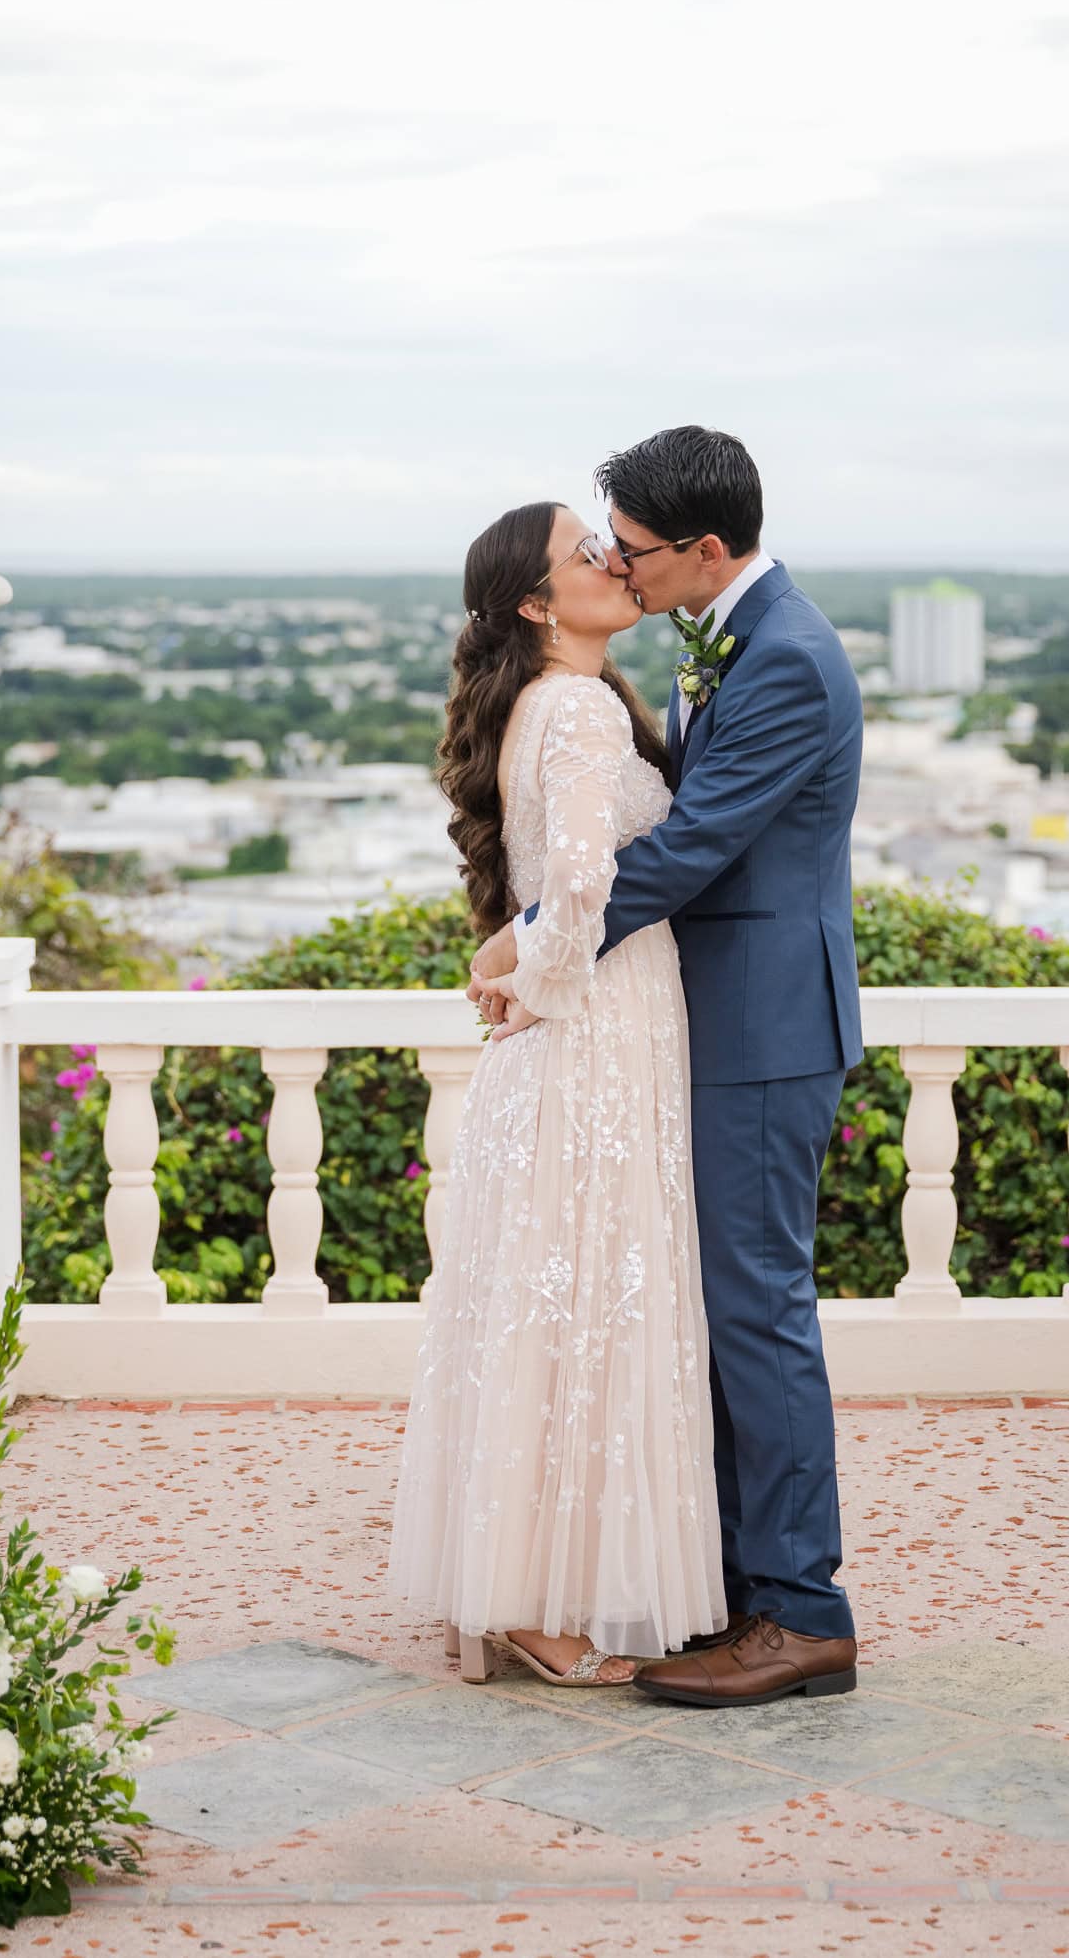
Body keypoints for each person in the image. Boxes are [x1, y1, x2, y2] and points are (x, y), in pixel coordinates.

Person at [470, 426, 864, 1709]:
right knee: (721, 1317)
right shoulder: (728, 641)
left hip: (761, 1028)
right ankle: (753, 1591)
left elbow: (686, 848)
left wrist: (531, 946)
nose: (619, 569)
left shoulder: (788, 658)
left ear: (703, 550)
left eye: (632, 550)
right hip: (709, 1022)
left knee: (757, 1312)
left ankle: (802, 1614)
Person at [386, 499, 726, 1688]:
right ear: (537, 604)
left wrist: (520, 965)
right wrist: (539, 982)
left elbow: (554, 883)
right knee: (586, 1304)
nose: (610, 559)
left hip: (580, 1031)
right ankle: (538, 1603)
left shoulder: (548, 705)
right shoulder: (579, 707)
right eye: (584, 550)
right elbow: (583, 882)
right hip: (596, 1030)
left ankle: (514, 1586)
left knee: (555, 1304)